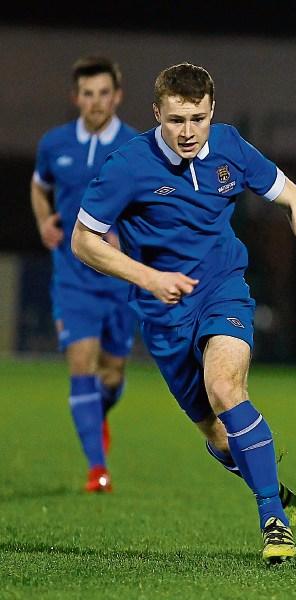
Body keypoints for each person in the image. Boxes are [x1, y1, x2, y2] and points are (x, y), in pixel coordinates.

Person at [71, 62, 296, 563]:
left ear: (212, 111)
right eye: (176, 120)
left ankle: (273, 521)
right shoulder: (127, 166)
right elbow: (83, 241)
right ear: (156, 114)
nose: (188, 132)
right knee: (219, 435)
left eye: (198, 118)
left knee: (226, 387)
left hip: (222, 289)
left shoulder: (231, 148)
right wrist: (147, 277)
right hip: (162, 313)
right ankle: (270, 484)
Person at [31, 56, 138, 493]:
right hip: (73, 276)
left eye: (103, 93)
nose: (95, 102)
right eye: (87, 94)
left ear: (117, 96)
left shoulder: (137, 146)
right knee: (81, 362)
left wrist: (127, 240)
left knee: (110, 373)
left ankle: (100, 411)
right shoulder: (54, 143)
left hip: (118, 278)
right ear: (76, 97)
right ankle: (98, 469)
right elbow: (40, 185)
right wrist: (43, 221)